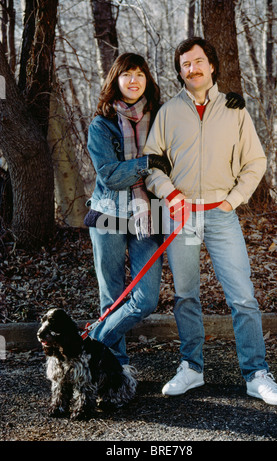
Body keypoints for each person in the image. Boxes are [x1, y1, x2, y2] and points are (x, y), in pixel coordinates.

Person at [144, 37, 277, 406]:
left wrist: (233, 200)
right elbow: (152, 162)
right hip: (179, 214)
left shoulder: (234, 109)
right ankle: (192, 368)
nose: (191, 69)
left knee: (243, 296)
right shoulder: (168, 112)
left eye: (197, 62)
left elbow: (255, 162)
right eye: (184, 65)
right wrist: (169, 194)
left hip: (221, 215)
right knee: (185, 295)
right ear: (180, 71)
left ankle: (256, 374)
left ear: (211, 65)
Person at [85, 53, 171, 387]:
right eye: (126, 75)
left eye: (139, 74)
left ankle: (91, 344)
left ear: (147, 79)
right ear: (115, 81)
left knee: (145, 299)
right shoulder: (101, 125)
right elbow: (109, 176)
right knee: (113, 297)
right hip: (108, 215)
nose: (133, 80)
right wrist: (147, 161)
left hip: (148, 217)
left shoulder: (162, 118)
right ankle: (117, 369)